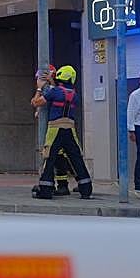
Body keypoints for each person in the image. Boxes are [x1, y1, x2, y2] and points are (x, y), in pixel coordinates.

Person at [31, 65, 92, 200]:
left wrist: (40, 88)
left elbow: (36, 103)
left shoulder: (54, 92)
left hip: (55, 128)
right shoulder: (74, 95)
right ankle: (86, 189)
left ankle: (45, 190)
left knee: (49, 158)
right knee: (76, 158)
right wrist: (51, 82)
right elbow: (61, 93)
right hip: (70, 129)